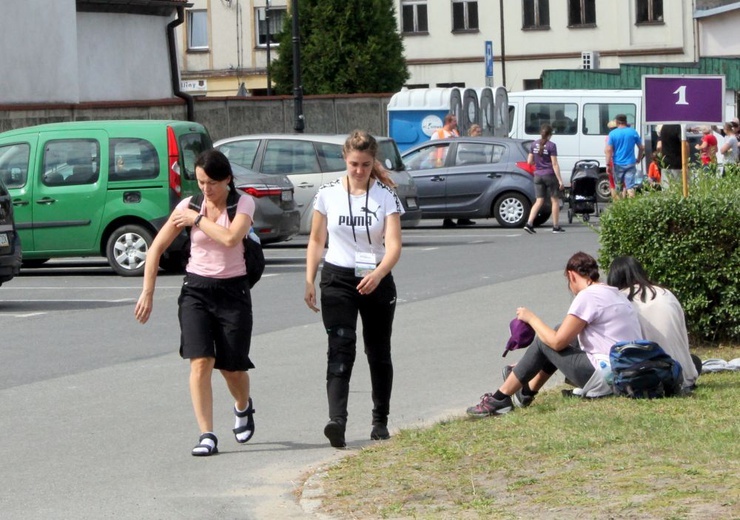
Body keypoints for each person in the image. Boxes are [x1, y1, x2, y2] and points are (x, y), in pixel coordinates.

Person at [134, 149, 257, 457]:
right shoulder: (188, 206)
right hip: (196, 292)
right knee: (201, 361)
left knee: (232, 369)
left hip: (233, 293)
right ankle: (207, 434)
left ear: (227, 179)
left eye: (212, 182)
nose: (206, 189)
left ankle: (243, 407)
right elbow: (155, 249)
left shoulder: (242, 203)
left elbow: (230, 239)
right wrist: (147, 291)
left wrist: (198, 220)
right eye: (201, 181)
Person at [304, 130, 404, 448]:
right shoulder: (328, 193)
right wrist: (309, 279)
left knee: (377, 351)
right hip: (337, 278)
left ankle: (380, 421)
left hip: (376, 278)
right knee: (340, 348)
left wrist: (379, 272)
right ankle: (337, 422)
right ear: (344, 160)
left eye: (364, 164)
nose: (359, 170)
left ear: (373, 162)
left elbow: (394, 245)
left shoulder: (386, 196)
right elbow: (317, 240)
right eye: (353, 164)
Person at [466, 252, 642, 417]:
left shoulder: (588, 296)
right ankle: (526, 392)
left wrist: (531, 318)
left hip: (605, 377)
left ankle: (500, 398)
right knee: (558, 330)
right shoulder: (615, 293)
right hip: (625, 375)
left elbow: (556, 343)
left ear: (571, 275)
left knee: (546, 341)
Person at [607, 256, 699, 390]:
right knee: (694, 360)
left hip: (648, 375)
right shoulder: (665, 293)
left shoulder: (620, 300)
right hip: (684, 376)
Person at [523, 123, 565, 234]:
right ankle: (556, 226)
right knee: (554, 200)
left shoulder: (533, 144)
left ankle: (529, 223)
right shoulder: (551, 145)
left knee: (539, 200)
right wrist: (560, 180)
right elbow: (554, 164)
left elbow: (529, 162)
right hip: (549, 175)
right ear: (550, 134)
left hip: (538, 175)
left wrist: (537, 162)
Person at [431, 114, 469, 227]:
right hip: (442, 164)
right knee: (445, 191)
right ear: (448, 122)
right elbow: (432, 147)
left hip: (455, 164)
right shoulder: (438, 133)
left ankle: (462, 217)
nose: (456, 123)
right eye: (454, 121)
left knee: (458, 190)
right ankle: (447, 219)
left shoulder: (455, 133)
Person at [605, 114, 645, 198]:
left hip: (618, 163)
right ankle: (631, 207)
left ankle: (619, 207)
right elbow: (641, 147)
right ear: (626, 121)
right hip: (630, 162)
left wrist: (608, 164)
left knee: (618, 186)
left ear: (616, 122)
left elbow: (608, 150)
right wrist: (638, 158)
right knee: (630, 186)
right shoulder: (632, 132)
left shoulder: (612, 134)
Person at [657, 124, 683, 189]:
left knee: (666, 187)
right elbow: (685, 144)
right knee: (679, 187)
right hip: (677, 162)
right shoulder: (677, 126)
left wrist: (661, 155)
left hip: (665, 162)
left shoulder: (664, 128)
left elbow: (659, 146)